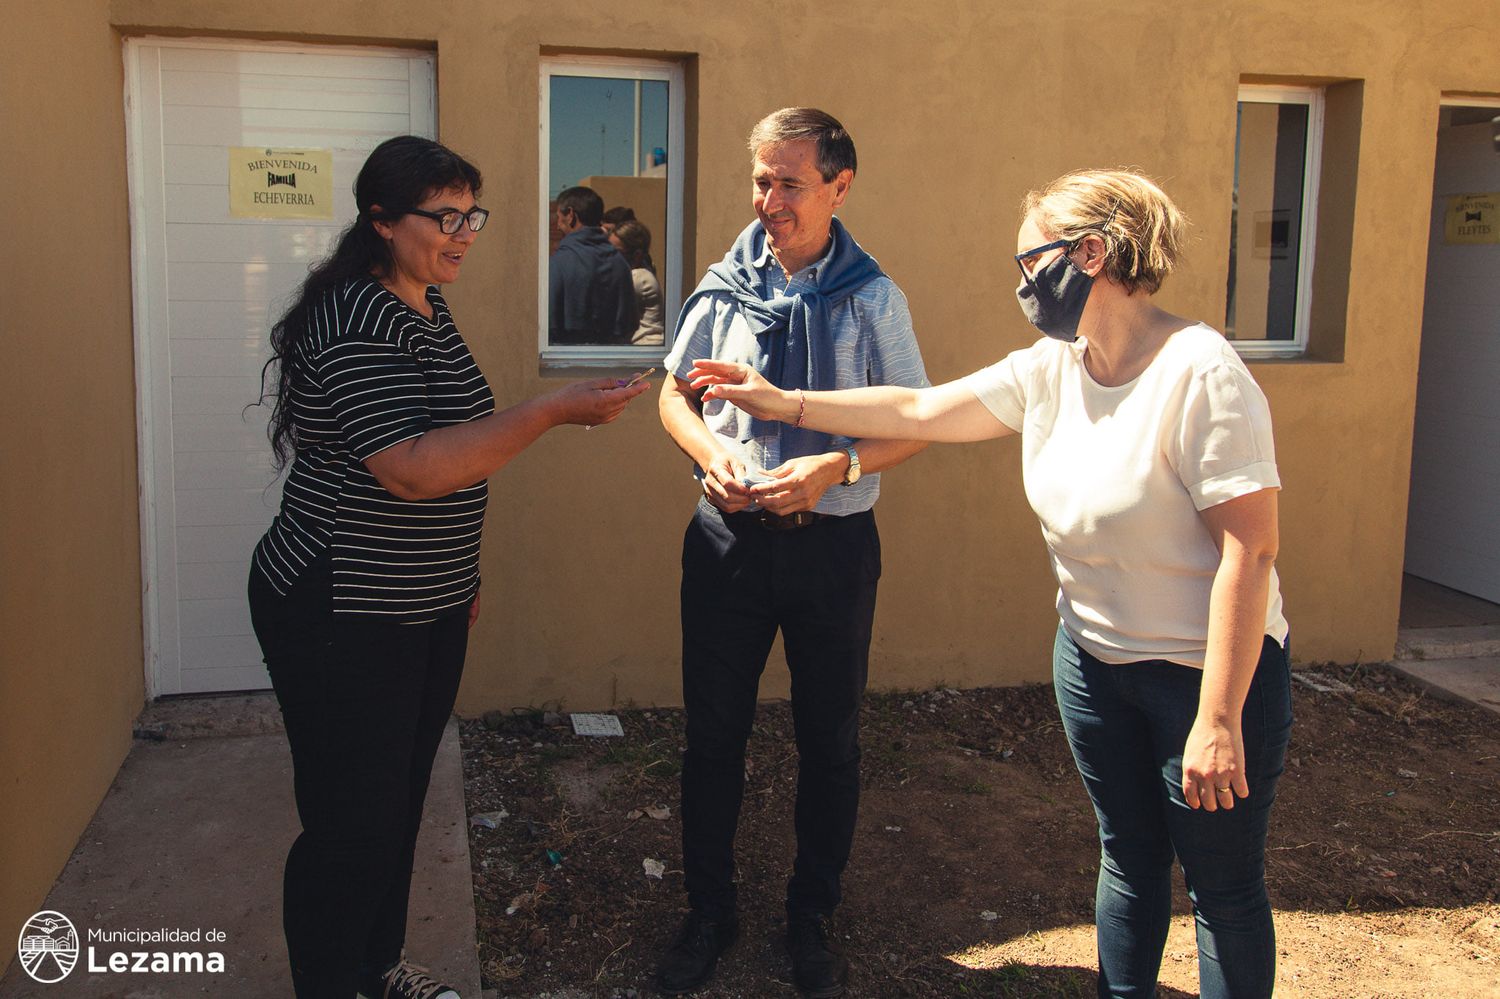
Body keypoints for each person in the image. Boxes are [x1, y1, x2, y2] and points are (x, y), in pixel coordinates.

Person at [688, 169, 1293, 999]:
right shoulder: (1053, 367)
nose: (1021, 286)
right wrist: (787, 402)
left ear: (1091, 252)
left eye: (1030, 264)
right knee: (1130, 858)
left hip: (1204, 674)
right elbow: (922, 410)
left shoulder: (1199, 372)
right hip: (1094, 659)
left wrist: (1219, 718)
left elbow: (1249, 552)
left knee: (1221, 887)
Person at [248, 135, 649, 999]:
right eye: (445, 215)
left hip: (419, 602)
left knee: (391, 804)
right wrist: (549, 412)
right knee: (349, 820)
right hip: (338, 603)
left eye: (473, 213)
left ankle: (375, 966)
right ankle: (330, 983)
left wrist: (457, 579)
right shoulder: (356, 314)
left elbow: (455, 447)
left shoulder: (424, 300)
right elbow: (411, 465)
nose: (465, 232)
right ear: (383, 221)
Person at [655, 107, 930, 998]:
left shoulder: (873, 297)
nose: (767, 199)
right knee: (713, 737)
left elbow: (913, 425)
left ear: (839, 187)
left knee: (831, 740)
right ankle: (709, 912)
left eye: (788, 183)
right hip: (728, 545)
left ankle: (811, 915)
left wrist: (836, 466)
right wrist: (713, 456)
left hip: (833, 547)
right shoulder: (724, 284)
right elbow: (674, 397)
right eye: (760, 179)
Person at [548, 185, 637, 345]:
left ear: (570, 215)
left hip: (565, 363)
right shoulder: (620, 263)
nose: (557, 225)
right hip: (614, 362)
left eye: (559, 217)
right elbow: (629, 325)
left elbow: (548, 326)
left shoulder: (559, 263)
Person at [607, 220, 665, 345]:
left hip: (645, 346)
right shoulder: (643, 273)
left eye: (616, 253)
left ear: (637, 255)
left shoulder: (639, 277)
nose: (610, 258)